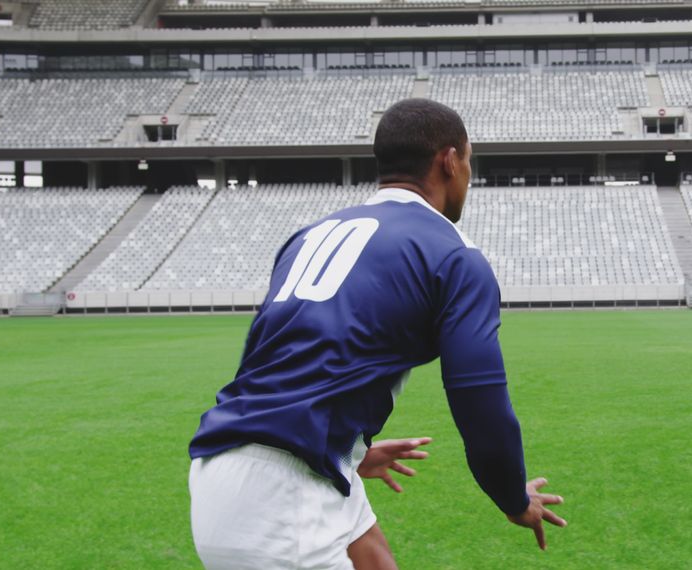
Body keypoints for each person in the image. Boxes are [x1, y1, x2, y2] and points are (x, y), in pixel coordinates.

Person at [188, 98, 566, 569]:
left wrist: (350, 447)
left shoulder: (310, 235)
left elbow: (270, 362)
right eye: (469, 160)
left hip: (234, 470)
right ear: (450, 161)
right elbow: (480, 407)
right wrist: (513, 498)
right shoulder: (455, 256)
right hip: (283, 500)